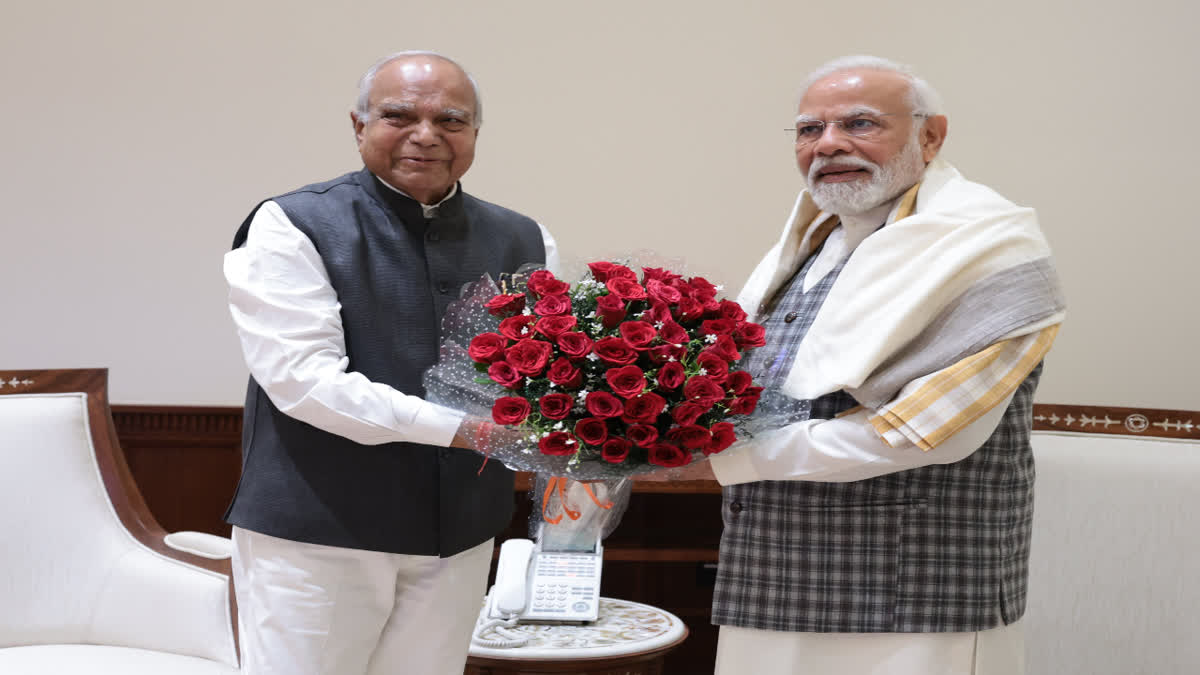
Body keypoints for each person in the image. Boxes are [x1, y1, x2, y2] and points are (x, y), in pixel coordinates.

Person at [643, 55, 1065, 674]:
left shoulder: (993, 253)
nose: (829, 144)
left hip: (913, 595)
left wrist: (721, 459)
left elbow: (928, 435)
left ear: (931, 135)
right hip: (772, 573)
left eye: (860, 123)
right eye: (810, 129)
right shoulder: (813, 244)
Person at [222, 51, 558, 675]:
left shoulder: (527, 239)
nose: (426, 136)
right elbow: (304, 382)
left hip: (457, 533)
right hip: (318, 532)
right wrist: (463, 428)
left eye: (451, 121)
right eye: (398, 115)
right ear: (358, 126)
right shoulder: (292, 224)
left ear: (475, 134)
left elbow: (538, 376)